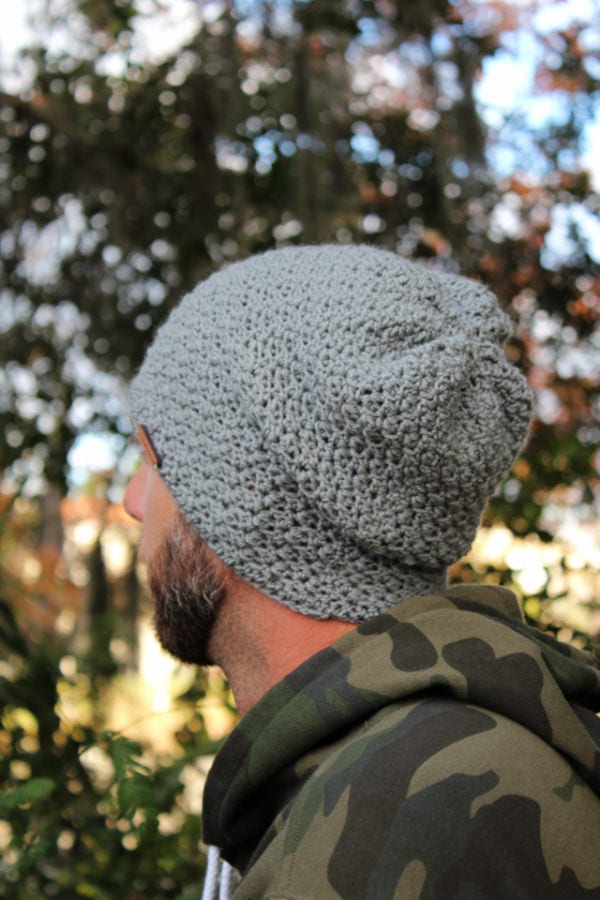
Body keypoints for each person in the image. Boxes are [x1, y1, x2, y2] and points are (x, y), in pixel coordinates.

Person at [124, 244, 600, 899]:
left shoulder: (407, 814)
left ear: (242, 498)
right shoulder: (381, 769)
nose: (129, 501)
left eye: (149, 459)